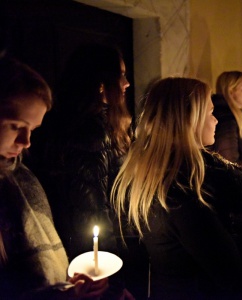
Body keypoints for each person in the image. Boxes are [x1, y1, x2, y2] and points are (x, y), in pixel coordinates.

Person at [112, 77, 242, 299]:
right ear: (189, 120)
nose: (216, 120)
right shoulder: (183, 191)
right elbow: (233, 275)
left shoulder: (157, 173)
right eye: (210, 112)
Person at [27, 43, 137, 299]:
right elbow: (91, 210)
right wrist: (112, 282)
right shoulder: (90, 131)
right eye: (120, 75)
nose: (127, 83)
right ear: (101, 83)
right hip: (91, 270)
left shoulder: (64, 122)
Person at [0, 56, 109, 299]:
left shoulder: (20, 178)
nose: (26, 141)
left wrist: (65, 285)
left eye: (33, 130)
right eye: (16, 126)